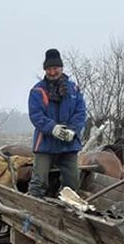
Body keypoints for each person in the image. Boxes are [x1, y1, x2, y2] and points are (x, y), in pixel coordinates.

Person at [27, 48, 87, 197]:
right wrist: (52, 128)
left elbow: (80, 112)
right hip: (45, 145)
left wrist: (72, 130)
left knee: (73, 183)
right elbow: (36, 115)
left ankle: (67, 207)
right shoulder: (37, 91)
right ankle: (32, 206)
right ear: (45, 70)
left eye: (55, 68)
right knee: (39, 182)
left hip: (68, 145)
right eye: (49, 69)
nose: (52, 72)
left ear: (61, 68)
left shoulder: (74, 89)